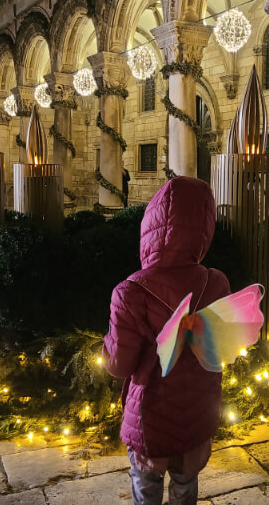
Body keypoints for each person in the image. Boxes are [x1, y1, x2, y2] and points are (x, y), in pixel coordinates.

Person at [103, 177, 231, 505]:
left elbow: (119, 365)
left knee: (145, 488)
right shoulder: (216, 283)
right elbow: (224, 348)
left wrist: (105, 348)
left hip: (150, 418)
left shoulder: (130, 291)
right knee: (186, 485)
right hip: (199, 413)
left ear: (150, 227)